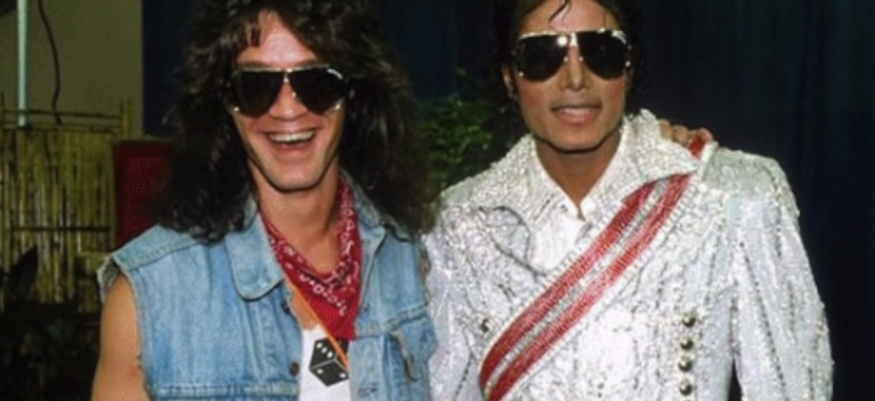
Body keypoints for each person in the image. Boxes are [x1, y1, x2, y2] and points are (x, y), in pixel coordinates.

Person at [425, 0, 833, 400]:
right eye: (541, 56)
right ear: (509, 78)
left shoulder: (735, 197)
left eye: (602, 51)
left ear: (629, 66)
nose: (575, 79)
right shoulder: (459, 224)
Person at [90, 0, 438, 400]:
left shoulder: (419, 263)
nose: (287, 109)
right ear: (224, 102)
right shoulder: (149, 298)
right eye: (255, 87)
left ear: (353, 93)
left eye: (316, 83)